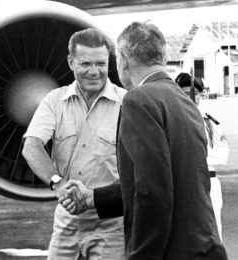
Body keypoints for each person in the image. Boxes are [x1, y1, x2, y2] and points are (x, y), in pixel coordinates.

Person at [60, 22, 228, 259]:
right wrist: (93, 198)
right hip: (203, 249)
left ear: (124, 61)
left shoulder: (139, 100)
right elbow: (162, 179)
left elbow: (152, 190)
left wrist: (141, 255)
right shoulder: (184, 102)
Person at [22, 28, 126, 260]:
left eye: (100, 64)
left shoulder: (126, 104)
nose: (94, 72)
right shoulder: (54, 101)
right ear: (71, 62)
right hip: (67, 219)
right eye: (85, 64)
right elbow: (32, 146)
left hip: (111, 224)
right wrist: (58, 183)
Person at [175, 72, 230, 241]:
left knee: (213, 233)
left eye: (196, 94)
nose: (192, 98)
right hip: (183, 184)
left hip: (209, 181)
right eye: (185, 94)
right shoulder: (173, 121)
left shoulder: (209, 123)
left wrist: (193, 158)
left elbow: (222, 156)